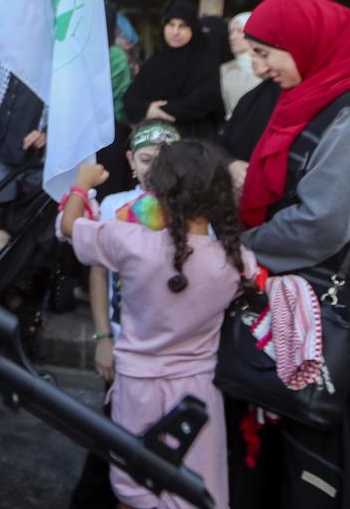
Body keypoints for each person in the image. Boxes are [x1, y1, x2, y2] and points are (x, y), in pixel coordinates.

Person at [230, 0, 350, 508]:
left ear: (304, 43)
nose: (258, 67)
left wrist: (241, 244)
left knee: (333, 440)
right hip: (299, 292)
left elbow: (321, 224)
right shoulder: (315, 94)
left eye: (265, 53)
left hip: (337, 300)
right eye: (253, 53)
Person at [60, 142, 254, 509]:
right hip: (198, 393)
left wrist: (80, 185)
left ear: (160, 190)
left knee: (136, 492)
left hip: (137, 390)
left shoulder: (130, 243)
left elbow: (71, 227)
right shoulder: (238, 260)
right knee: (194, 494)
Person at [70, 119, 180, 509]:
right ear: (132, 161)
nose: (155, 167)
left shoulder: (194, 213)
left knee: (163, 449)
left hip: (174, 354)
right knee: (111, 445)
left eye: (165, 159)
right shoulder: (117, 206)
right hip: (124, 347)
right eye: (147, 158)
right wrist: (103, 338)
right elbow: (98, 274)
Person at [123, 0, 224, 139]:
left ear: (193, 29)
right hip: (155, 136)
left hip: (195, 137)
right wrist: (148, 109)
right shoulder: (154, 62)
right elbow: (130, 99)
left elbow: (204, 99)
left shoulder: (205, 61)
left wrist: (158, 111)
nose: (175, 32)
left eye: (182, 26)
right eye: (171, 25)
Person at [220, 12, 262, 119]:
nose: (233, 37)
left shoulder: (268, 68)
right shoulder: (227, 68)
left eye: (240, 31)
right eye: (231, 32)